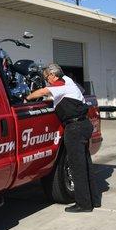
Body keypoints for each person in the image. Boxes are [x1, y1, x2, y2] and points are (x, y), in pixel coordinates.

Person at [26, 63, 101, 213]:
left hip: (75, 128)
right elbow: (52, 92)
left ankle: (84, 204)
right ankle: (94, 200)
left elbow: (41, 92)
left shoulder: (60, 85)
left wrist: (27, 97)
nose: (47, 81)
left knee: (77, 167)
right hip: (84, 125)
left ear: (53, 75)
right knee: (85, 164)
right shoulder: (68, 80)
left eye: (47, 78)